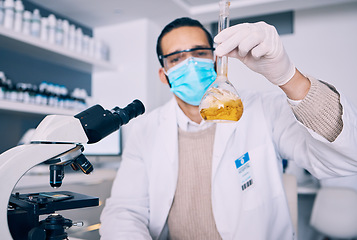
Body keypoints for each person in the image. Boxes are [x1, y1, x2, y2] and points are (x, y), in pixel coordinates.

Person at [99, 17, 357, 240]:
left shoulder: (261, 110)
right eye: (176, 58)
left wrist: (288, 76)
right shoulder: (145, 130)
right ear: (163, 74)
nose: (190, 63)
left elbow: (344, 158)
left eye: (199, 53)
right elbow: (125, 211)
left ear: (216, 59)